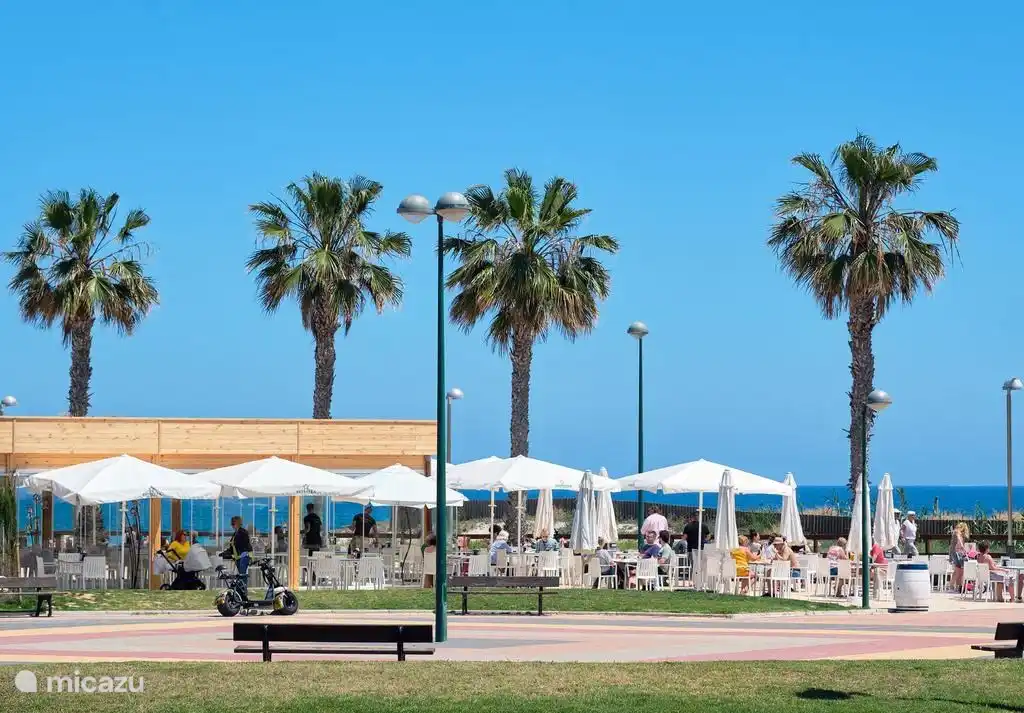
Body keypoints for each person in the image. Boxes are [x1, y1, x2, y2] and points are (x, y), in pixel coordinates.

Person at [220, 516, 253, 597]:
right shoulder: (235, 533)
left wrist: (244, 554)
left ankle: (243, 592)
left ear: (237, 523)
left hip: (244, 556)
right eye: (232, 524)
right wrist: (225, 552)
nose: (232, 525)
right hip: (238, 557)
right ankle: (241, 591)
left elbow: (245, 545)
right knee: (240, 575)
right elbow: (232, 546)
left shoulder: (243, 532)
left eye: (233, 523)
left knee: (242, 575)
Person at [949, 522, 970, 592]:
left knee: (959, 570)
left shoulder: (959, 534)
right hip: (955, 553)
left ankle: (958, 587)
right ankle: (951, 587)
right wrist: (964, 549)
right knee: (957, 570)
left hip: (957, 553)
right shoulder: (957, 532)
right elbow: (959, 542)